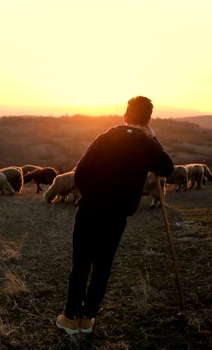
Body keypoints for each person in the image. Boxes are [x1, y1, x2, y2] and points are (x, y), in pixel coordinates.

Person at [55, 96, 174, 335]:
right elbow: (167, 168)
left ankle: (70, 318)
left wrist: (92, 194)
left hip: (89, 211)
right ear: (148, 120)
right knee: (102, 267)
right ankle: (88, 319)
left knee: (80, 265)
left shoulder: (103, 138)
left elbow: (80, 175)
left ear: (125, 116)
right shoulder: (147, 145)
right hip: (116, 217)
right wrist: (153, 138)